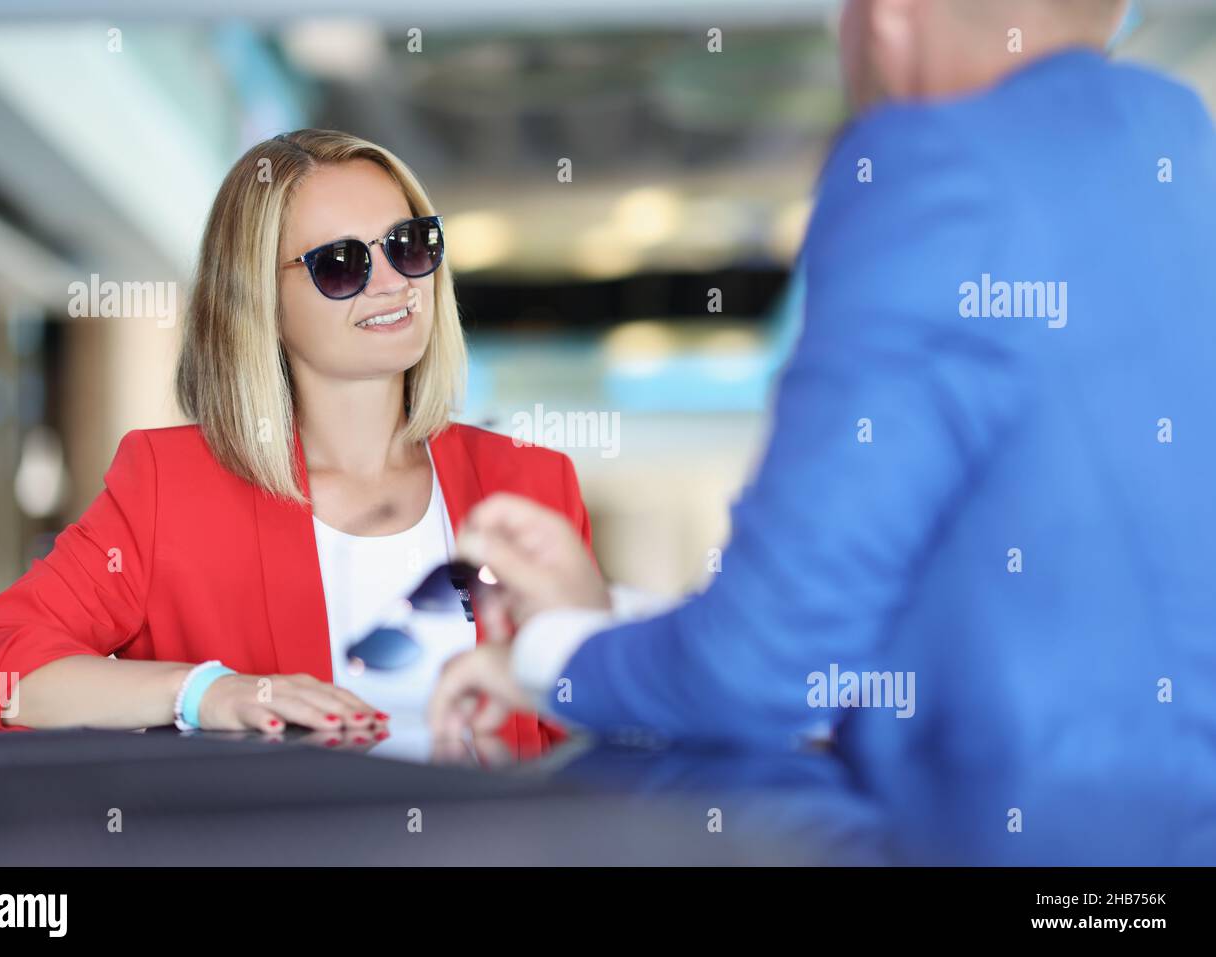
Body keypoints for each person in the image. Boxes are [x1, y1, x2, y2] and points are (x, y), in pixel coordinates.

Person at [429, 0, 1216, 798]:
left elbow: (764, 665)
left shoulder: (934, 165)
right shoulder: (1184, 155)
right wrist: (605, 623)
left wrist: (541, 656)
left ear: (890, 15)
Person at [0, 130, 588, 760]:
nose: (392, 281)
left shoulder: (530, 478)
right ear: (260, 302)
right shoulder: (170, 485)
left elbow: (589, 722)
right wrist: (202, 692)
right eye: (341, 262)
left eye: (408, 243)